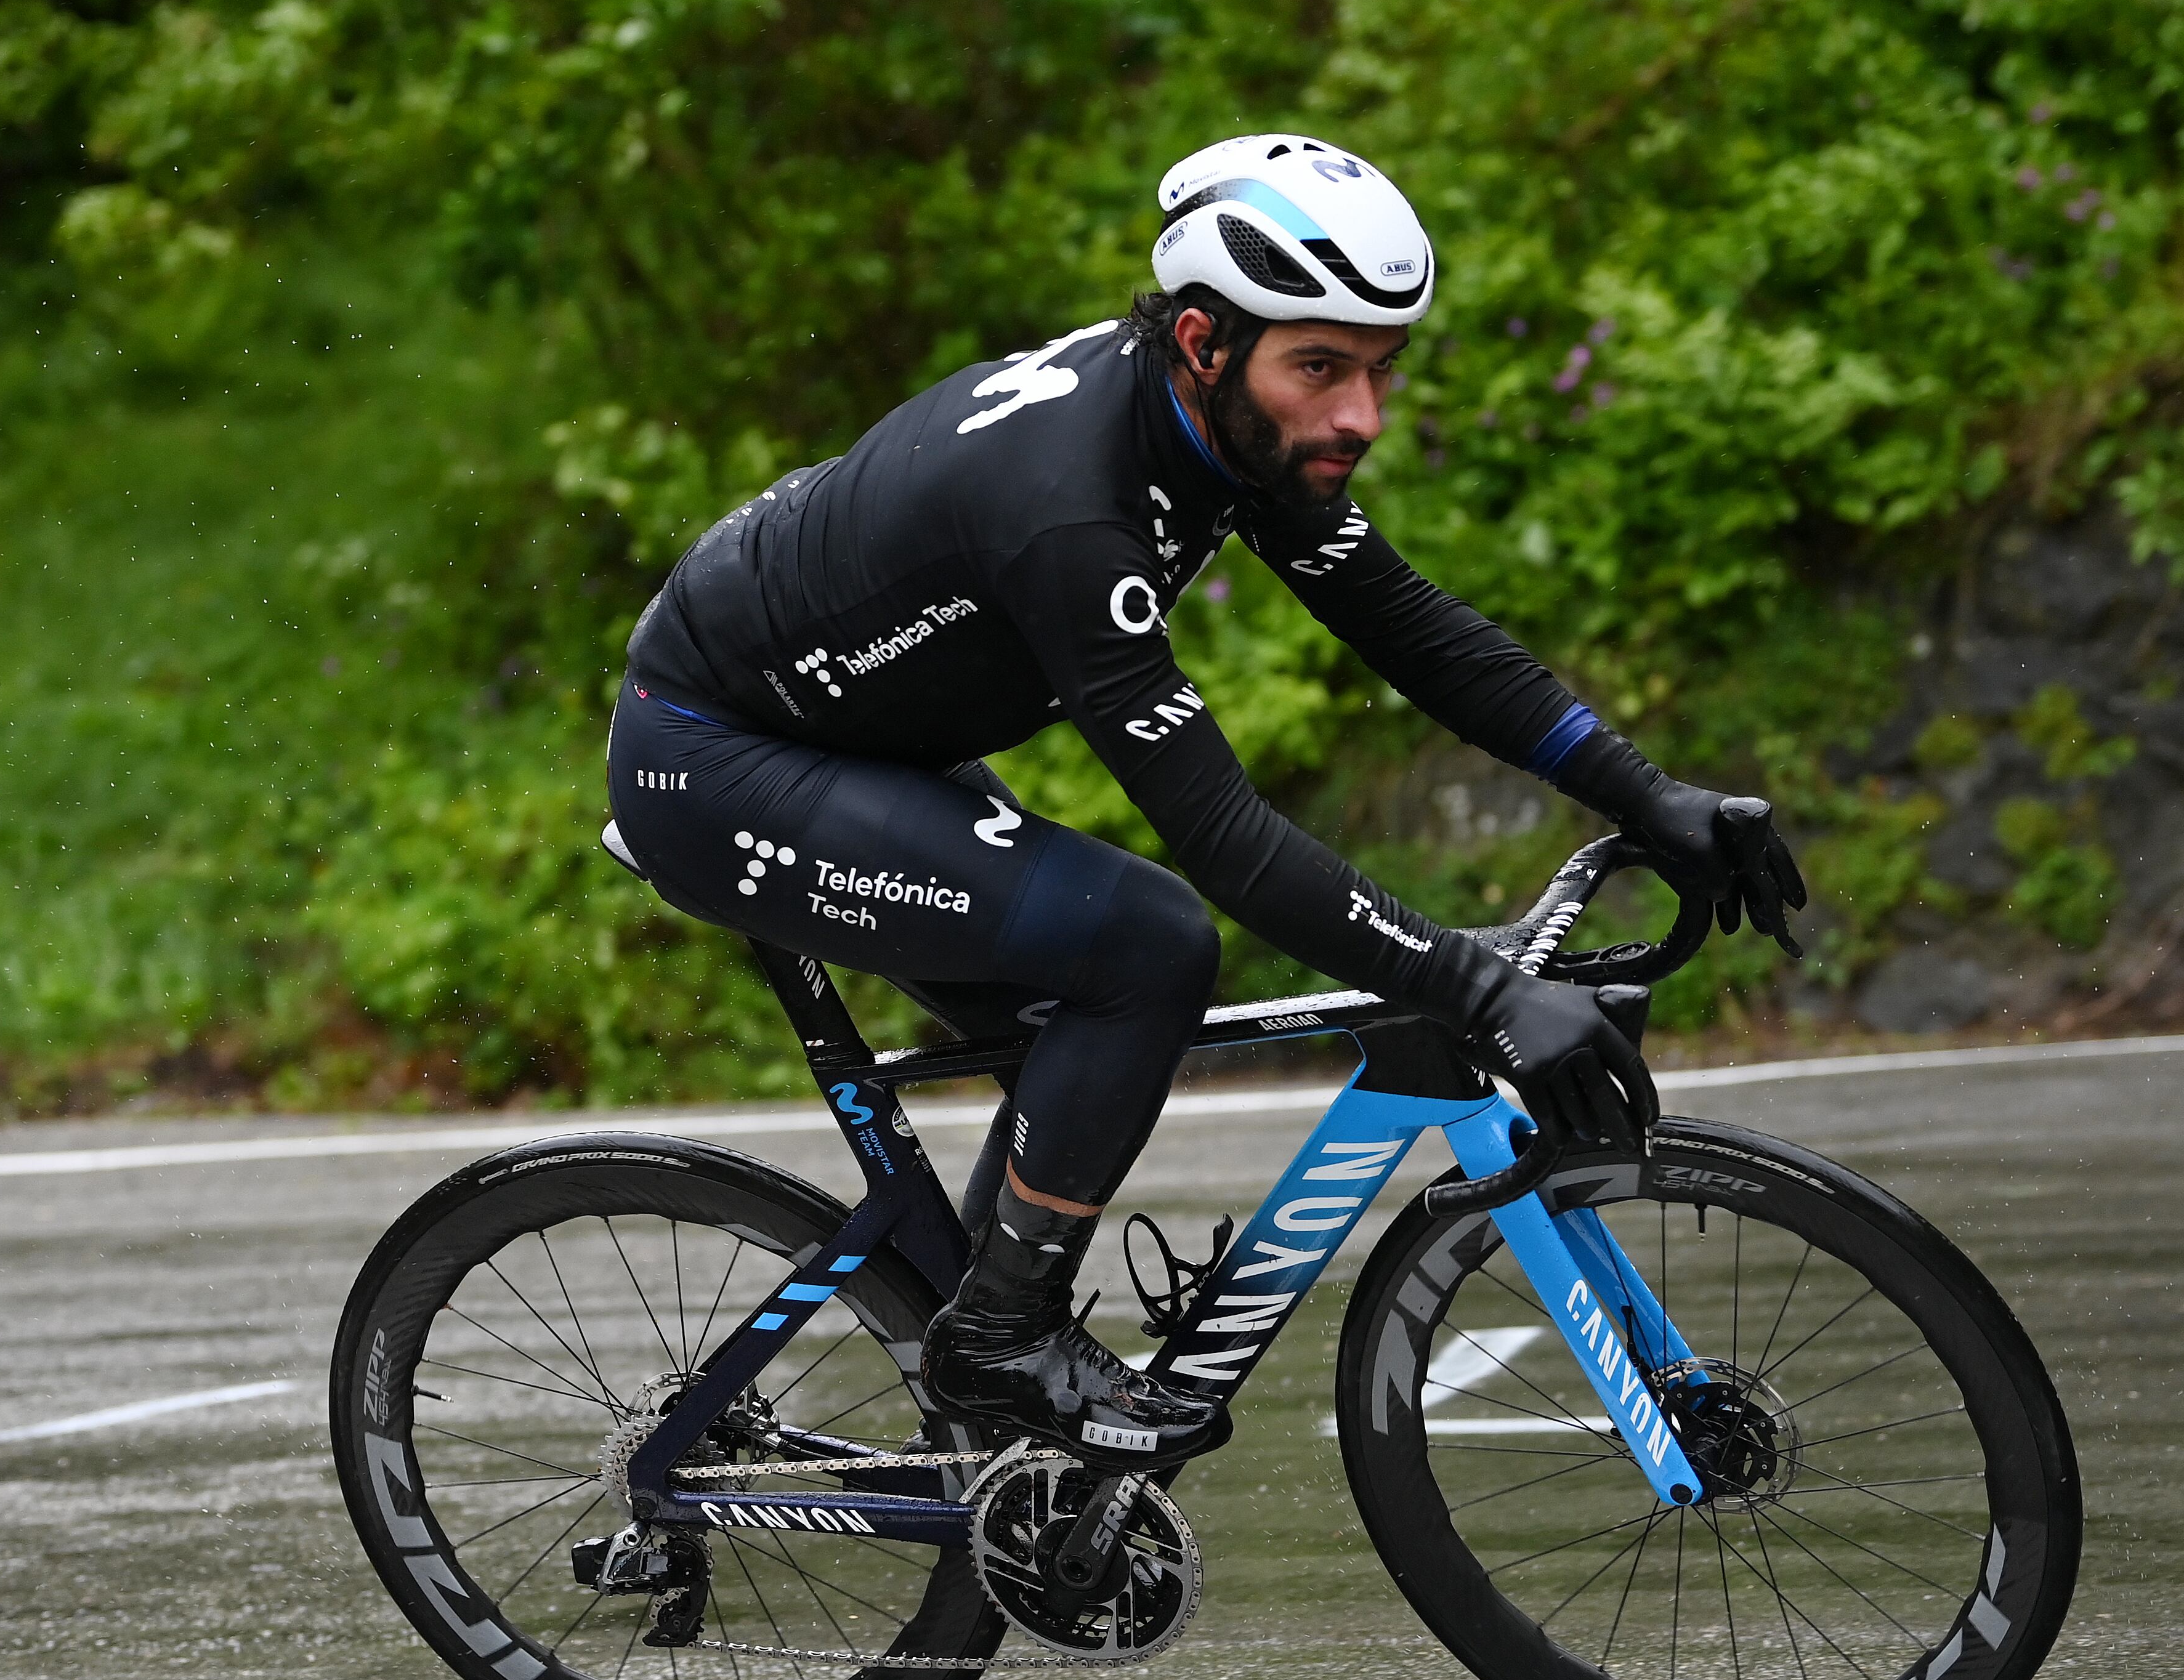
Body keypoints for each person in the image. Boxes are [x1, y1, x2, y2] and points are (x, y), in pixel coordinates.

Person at [606, 134, 1806, 1472]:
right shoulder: (1073, 508)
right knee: (1146, 946)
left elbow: (1417, 633)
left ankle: (998, 1427)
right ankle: (996, 1339)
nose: (1361, 416)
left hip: (847, 735)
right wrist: (1480, 992)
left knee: (1083, 1031)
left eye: (1383, 369)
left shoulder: (1218, 426)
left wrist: (1651, 794)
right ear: (1203, 341)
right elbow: (1225, 842)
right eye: (1324, 369)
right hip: (713, 758)